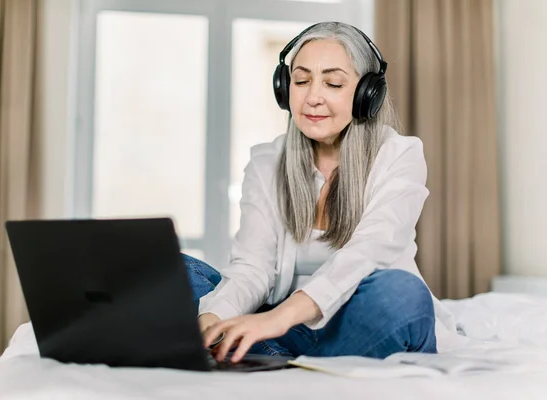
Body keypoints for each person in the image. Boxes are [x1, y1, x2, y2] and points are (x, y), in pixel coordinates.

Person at [185, 21, 457, 364]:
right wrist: (213, 318)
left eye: (333, 82)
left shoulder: (400, 155)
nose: (313, 97)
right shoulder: (266, 161)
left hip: (342, 321)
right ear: (285, 89)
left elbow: (367, 252)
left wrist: (276, 319)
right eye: (300, 81)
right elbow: (253, 266)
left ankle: (267, 353)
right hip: (279, 323)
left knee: (402, 295)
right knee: (178, 271)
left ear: (366, 94)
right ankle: (274, 352)